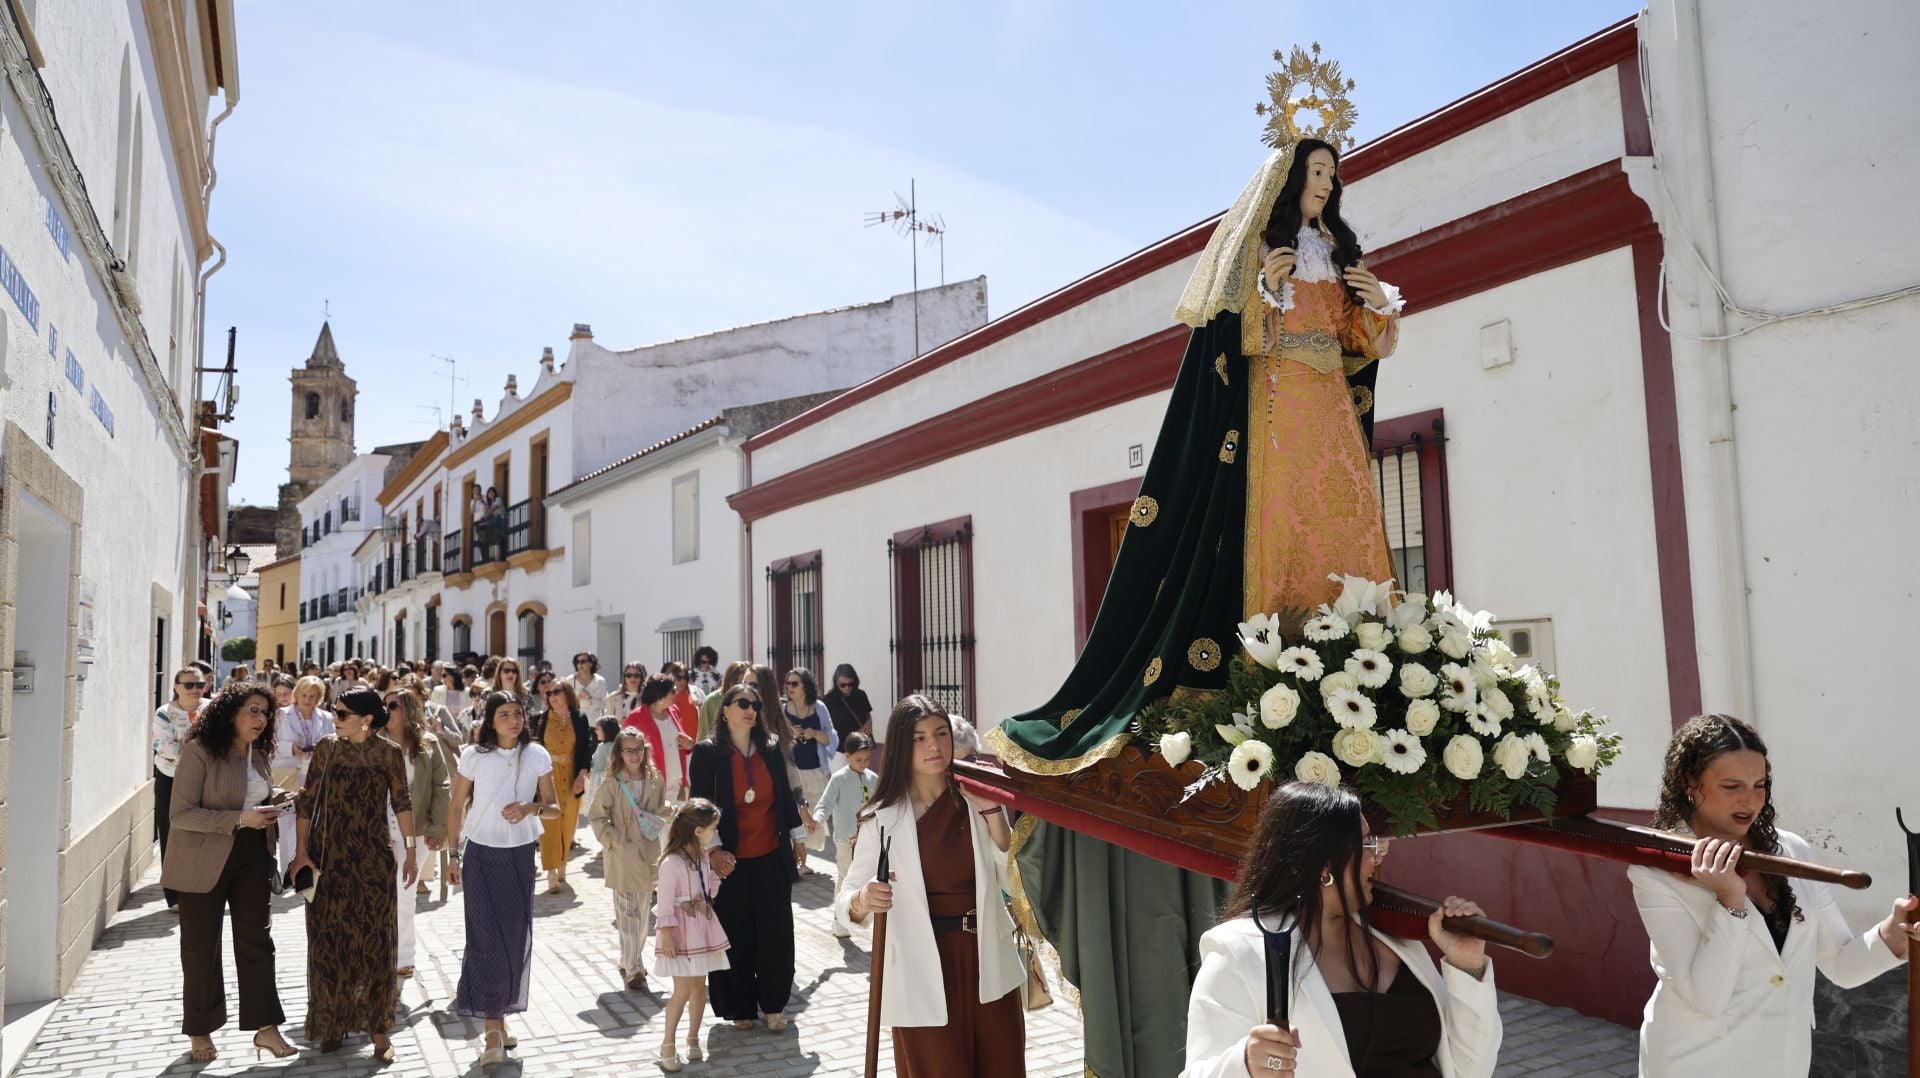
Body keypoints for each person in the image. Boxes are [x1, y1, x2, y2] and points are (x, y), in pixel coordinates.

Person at [1629, 714, 1918, 1077]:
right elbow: (1707, 998)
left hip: (1783, 1060)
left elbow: (1841, 965)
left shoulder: (1792, 852)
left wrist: (1894, 930)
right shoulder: (1656, 870)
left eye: (1759, 784)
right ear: (1690, 783)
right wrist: (1730, 903)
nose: (1751, 800)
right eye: (1732, 786)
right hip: (1695, 1062)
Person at [1182, 781, 1501, 1078]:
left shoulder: (1395, 941)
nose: (1377, 858)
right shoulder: (1239, 952)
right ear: (1324, 866)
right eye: (1367, 845)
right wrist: (1246, 1063)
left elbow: (1470, 1070)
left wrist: (1467, 965)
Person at [839, 695, 1023, 1075]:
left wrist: (992, 810)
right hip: (919, 967)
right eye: (919, 737)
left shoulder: (977, 798)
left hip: (986, 957)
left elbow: (1014, 880)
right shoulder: (881, 818)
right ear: (901, 745)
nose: (934, 745)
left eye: (940, 734)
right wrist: (862, 899)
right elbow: (845, 901)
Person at [161, 682, 296, 1063]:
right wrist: (239, 819)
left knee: (257, 941)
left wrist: (278, 803)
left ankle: (266, 1028)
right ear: (229, 712)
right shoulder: (198, 750)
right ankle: (200, 1030)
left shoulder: (259, 752)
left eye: (266, 713)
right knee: (201, 946)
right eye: (253, 710)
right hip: (201, 857)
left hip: (253, 854)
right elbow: (181, 814)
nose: (261, 719)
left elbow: (255, 796)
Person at [285, 687, 418, 1061]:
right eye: (334, 712)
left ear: (367, 719)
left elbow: (402, 803)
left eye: (341, 713)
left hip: (374, 860)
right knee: (330, 945)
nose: (335, 718)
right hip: (330, 860)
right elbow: (306, 803)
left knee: (376, 945)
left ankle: (379, 1031)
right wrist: (301, 854)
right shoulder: (328, 748)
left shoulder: (388, 752)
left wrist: (410, 852)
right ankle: (333, 1024)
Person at [445, 691, 560, 1067]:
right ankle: (492, 1031)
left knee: (513, 937)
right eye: (504, 714)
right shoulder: (474, 756)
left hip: (519, 855)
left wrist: (530, 807)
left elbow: (555, 808)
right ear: (491, 720)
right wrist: (451, 854)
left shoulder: (537, 755)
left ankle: (499, 1016)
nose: (513, 720)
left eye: (518, 714)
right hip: (478, 854)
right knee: (484, 938)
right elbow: (456, 804)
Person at [689, 682, 804, 1031]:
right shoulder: (707, 753)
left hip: (771, 855)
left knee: (776, 934)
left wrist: (798, 836)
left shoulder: (770, 749)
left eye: (755, 703)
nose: (749, 708)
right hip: (730, 861)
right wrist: (714, 848)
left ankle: (773, 1006)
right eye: (741, 702)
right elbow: (700, 806)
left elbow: (784, 797)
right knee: (735, 935)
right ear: (724, 710)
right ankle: (739, 1006)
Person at [587, 728, 667, 990]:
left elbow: (657, 810)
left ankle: (628, 957)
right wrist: (614, 840)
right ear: (619, 753)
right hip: (622, 855)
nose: (634, 754)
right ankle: (634, 966)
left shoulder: (655, 779)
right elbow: (596, 815)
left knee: (642, 911)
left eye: (639, 748)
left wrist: (674, 812)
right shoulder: (612, 783)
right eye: (628, 750)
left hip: (648, 852)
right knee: (628, 909)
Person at [654, 799, 729, 1072]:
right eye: (713, 828)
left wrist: (716, 876)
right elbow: (663, 904)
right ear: (698, 830)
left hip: (702, 927)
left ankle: (693, 1038)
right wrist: (668, 936)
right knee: (683, 989)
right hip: (681, 931)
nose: (715, 833)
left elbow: (709, 892)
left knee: (700, 986)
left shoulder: (701, 858)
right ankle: (667, 1045)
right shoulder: (671, 863)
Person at [383, 689, 450, 963]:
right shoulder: (374, 742)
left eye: (392, 705)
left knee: (405, 892)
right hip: (381, 830)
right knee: (384, 894)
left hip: (418, 830)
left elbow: (442, 787)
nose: (385, 709)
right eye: (383, 704)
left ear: (408, 710)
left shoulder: (428, 743)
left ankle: (404, 960)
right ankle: (384, 955)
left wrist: (437, 829)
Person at [152, 666, 209, 910]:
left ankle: (200, 886)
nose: (196, 690)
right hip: (171, 779)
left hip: (205, 779)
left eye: (200, 684)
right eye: (189, 685)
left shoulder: (211, 708)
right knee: (172, 833)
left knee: (203, 833)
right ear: (176, 687)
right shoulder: (164, 713)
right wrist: (197, 750)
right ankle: (174, 895)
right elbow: (164, 747)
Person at [530, 680, 594, 893]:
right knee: (549, 822)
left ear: (567, 694)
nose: (552, 696)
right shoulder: (539, 719)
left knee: (568, 822)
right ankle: (551, 871)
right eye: (549, 693)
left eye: (557, 691)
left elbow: (587, 747)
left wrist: (582, 774)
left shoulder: (580, 718)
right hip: (547, 774)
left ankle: (563, 864)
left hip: (572, 773)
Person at [815, 731, 877, 937]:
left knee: (868, 877)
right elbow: (825, 803)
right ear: (847, 755)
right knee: (844, 878)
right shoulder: (839, 778)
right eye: (858, 759)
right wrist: (817, 819)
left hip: (868, 840)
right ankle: (840, 920)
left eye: (867, 759)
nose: (863, 763)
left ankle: (866, 916)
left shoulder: (873, 778)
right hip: (844, 840)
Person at [272, 675, 333, 875]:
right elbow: (271, 745)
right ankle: (288, 871)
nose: (308, 700)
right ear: (297, 694)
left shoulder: (326, 718)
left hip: (314, 776)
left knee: (312, 822)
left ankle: (309, 866)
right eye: (304, 695)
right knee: (288, 822)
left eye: (313, 696)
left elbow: (333, 743)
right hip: (288, 774)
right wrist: (290, 747)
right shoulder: (282, 715)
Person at [781, 668, 837, 873]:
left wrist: (814, 733)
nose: (789, 688)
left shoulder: (819, 707)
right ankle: (796, 861)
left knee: (811, 814)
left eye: (794, 683)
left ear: (806, 686)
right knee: (794, 816)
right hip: (792, 773)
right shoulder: (782, 709)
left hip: (815, 771)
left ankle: (802, 861)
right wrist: (789, 735)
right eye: (787, 683)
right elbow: (776, 740)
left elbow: (831, 736)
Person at [629, 674, 693, 805]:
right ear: (661, 694)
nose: (676, 693)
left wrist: (690, 745)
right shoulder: (636, 717)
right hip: (652, 786)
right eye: (673, 690)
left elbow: (683, 743)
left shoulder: (674, 710)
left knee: (679, 825)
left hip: (679, 786)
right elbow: (626, 750)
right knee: (659, 825)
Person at [822, 663, 874, 767]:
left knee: (861, 781)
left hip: (861, 748)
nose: (847, 688)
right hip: (840, 751)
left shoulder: (861, 695)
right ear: (836, 682)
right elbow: (824, 726)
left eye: (850, 684)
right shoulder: (829, 700)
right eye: (843, 685)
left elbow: (867, 714)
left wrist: (869, 722)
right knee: (842, 780)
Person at [697, 661, 753, 742]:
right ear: (728, 680)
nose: (741, 687)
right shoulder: (711, 700)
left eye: (746, 683)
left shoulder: (751, 701)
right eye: (737, 683)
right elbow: (703, 736)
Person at [586, 716, 620, 810]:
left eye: (597, 729)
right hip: (597, 782)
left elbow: (612, 767)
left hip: (602, 784)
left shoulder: (608, 747)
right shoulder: (602, 746)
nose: (595, 731)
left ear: (606, 729)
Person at [567, 651, 610, 721]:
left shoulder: (600, 681)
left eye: (583, 661)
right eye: (577, 662)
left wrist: (590, 698)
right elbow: (566, 702)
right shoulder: (570, 680)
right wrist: (578, 698)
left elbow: (605, 704)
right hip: (576, 721)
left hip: (595, 723)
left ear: (591, 664)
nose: (579, 664)